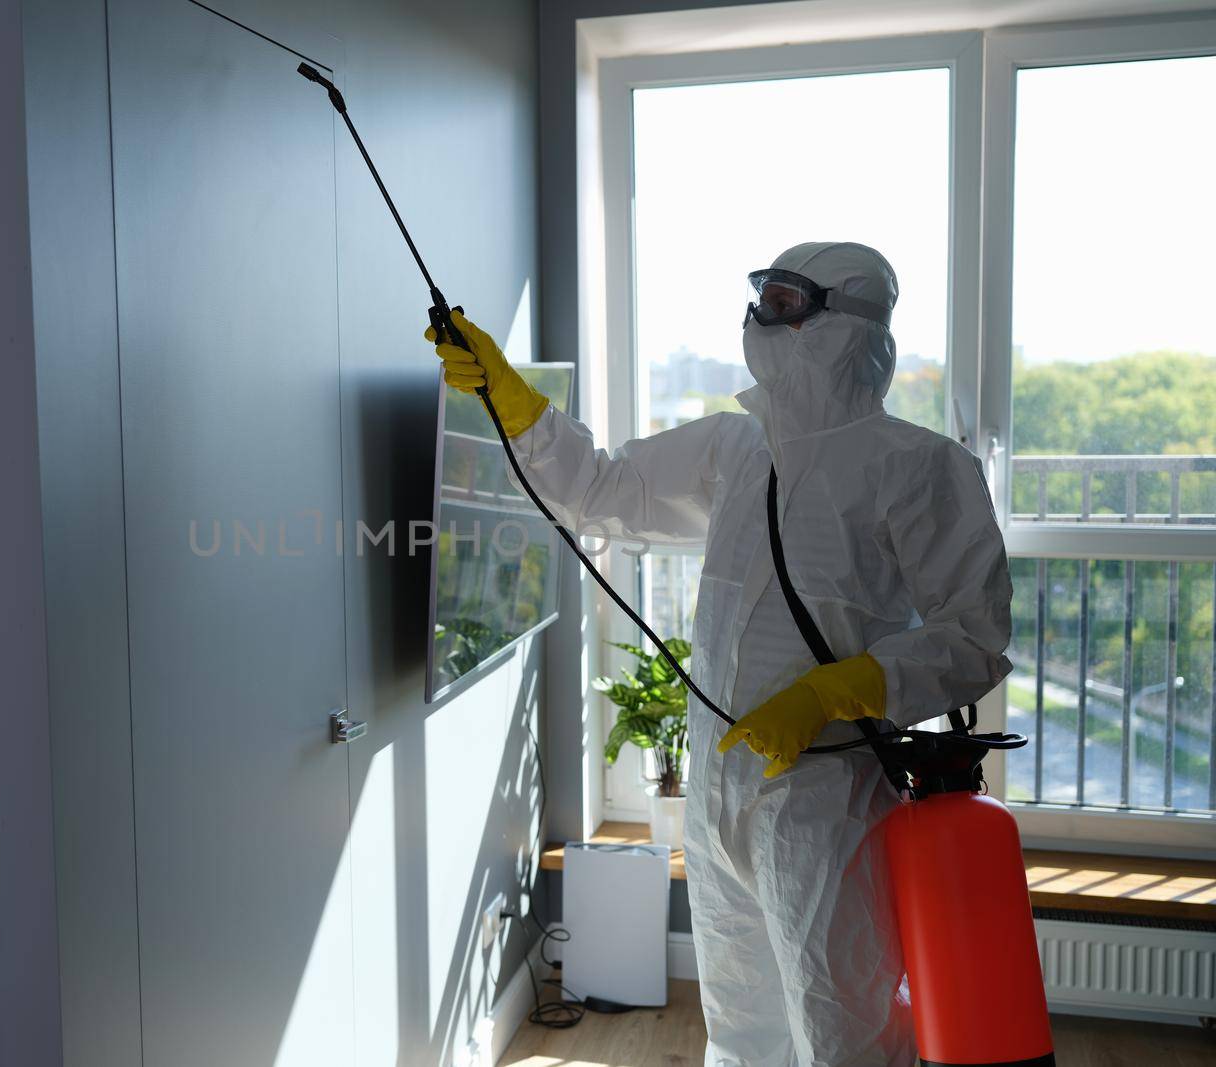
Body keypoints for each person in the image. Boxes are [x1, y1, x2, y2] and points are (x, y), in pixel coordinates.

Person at [425, 241, 1012, 1066]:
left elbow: (974, 636)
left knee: (842, 1024)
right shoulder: (738, 450)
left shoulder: (917, 466)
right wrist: (516, 402)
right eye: (760, 296)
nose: (760, 316)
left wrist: (836, 690)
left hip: (824, 794)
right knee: (739, 1024)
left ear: (844, 320)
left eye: (783, 299)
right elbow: (603, 489)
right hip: (720, 784)